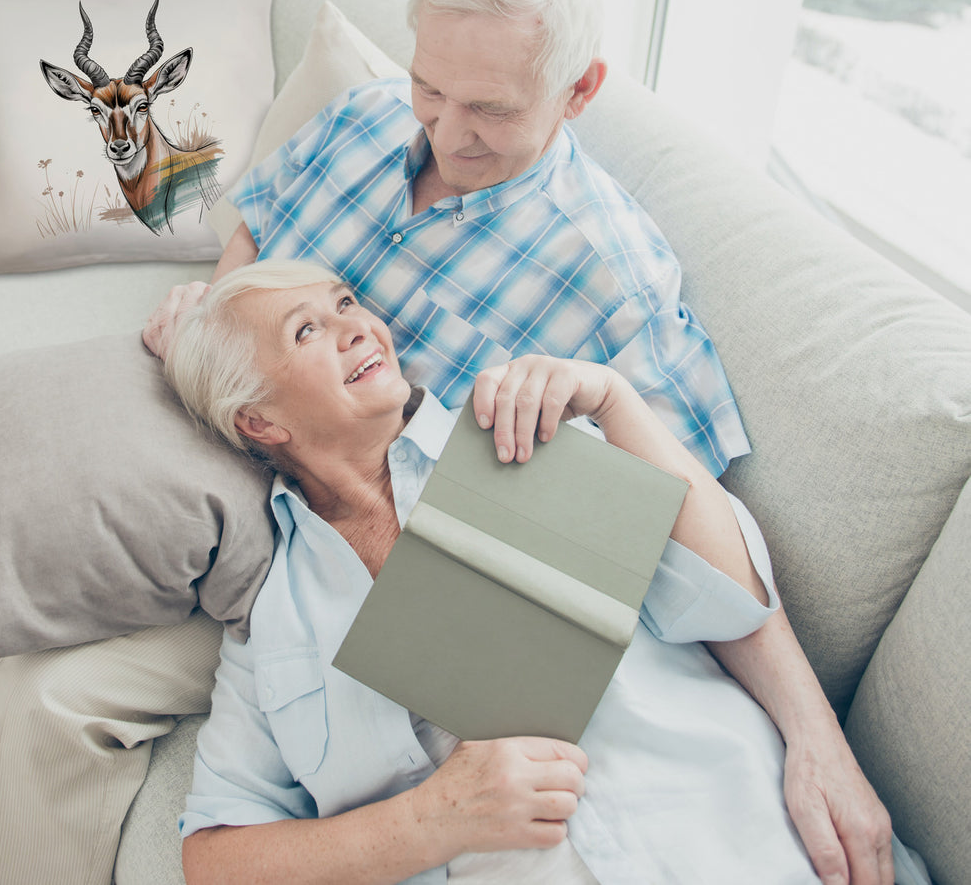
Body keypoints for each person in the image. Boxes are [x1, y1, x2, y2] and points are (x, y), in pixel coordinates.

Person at [0, 0, 888, 885]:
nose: (444, 128)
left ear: (577, 91)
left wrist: (814, 734)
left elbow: (684, 527)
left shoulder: (610, 278)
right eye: (431, 86)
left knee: (57, 695)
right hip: (244, 417)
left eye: (489, 109)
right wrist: (215, 314)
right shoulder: (366, 117)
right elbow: (256, 231)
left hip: (334, 524)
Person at [164, 260, 918, 885]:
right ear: (259, 421)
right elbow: (215, 858)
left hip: (743, 838)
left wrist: (616, 402)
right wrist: (430, 821)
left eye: (346, 303)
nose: (358, 326)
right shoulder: (273, 623)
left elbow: (730, 600)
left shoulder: (519, 433)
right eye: (307, 330)